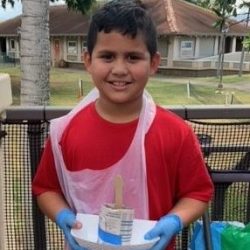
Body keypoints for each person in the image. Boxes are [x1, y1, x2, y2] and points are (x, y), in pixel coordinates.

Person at [32, 0, 214, 249]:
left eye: (132, 57)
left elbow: (197, 193)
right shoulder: (66, 132)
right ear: (88, 61)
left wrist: (174, 220)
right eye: (107, 56)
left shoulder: (175, 133)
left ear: (153, 63)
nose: (119, 69)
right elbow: (46, 189)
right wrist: (63, 216)